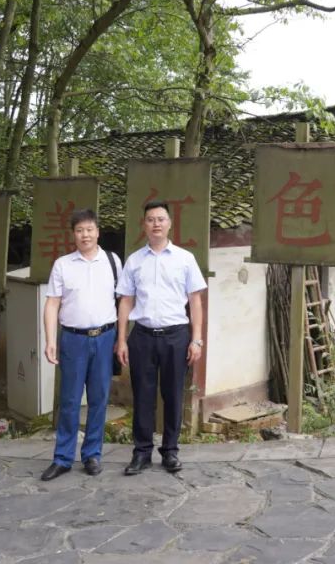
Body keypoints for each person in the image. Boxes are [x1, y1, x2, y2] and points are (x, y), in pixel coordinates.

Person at [116, 201, 207, 475]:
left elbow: (195, 301)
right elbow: (125, 301)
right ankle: (141, 452)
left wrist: (197, 339)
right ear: (144, 225)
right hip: (142, 336)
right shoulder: (134, 260)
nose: (156, 224)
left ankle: (170, 451)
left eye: (161, 219)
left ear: (169, 223)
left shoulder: (185, 259)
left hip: (176, 336)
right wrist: (122, 339)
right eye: (150, 219)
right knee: (142, 396)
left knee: (173, 395)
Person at [39, 209, 121, 482]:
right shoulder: (63, 265)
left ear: (98, 231)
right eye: (79, 230)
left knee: (99, 398)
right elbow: (52, 303)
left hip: (105, 337)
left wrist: (121, 338)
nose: (85, 235)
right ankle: (62, 458)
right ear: (73, 235)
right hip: (73, 339)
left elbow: (124, 300)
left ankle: (92, 454)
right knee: (70, 400)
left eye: (89, 229)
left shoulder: (112, 261)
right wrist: (50, 340)